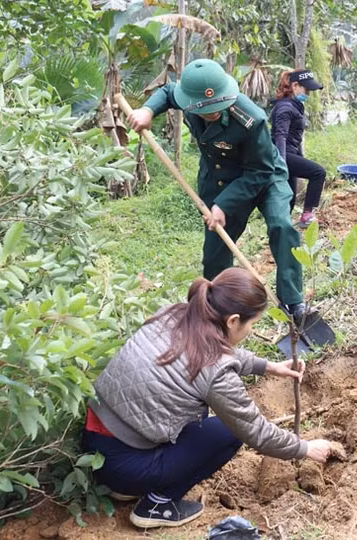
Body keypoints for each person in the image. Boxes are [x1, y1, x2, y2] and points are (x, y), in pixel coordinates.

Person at [83, 268, 334, 529]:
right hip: (125, 466)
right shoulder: (216, 370)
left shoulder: (176, 313)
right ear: (233, 321)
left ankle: (122, 487)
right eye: (253, 324)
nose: (250, 330)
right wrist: (305, 448)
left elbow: (212, 349)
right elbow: (256, 432)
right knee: (228, 432)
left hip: (95, 448)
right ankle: (158, 503)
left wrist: (268, 366)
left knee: (198, 411)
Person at [127, 59, 309, 321]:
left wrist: (224, 204)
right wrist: (147, 110)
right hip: (220, 178)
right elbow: (167, 92)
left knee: (282, 226)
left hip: (265, 175)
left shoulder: (252, 119)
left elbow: (259, 171)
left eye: (218, 106)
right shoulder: (188, 97)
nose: (213, 112)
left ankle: (294, 303)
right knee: (215, 247)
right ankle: (216, 311)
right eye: (206, 110)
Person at [270, 69, 326, 228]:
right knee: (318, 172)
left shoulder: (294, 106)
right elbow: (280, 136)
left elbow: (295, 139)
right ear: (295, 86)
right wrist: (281, 164)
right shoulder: (285, 108)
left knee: (290, 199)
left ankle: (282, 228)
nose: (308, 93)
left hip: (290, 154)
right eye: (306, 89)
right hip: (283, 155)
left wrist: (299, 157)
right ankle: (307, 215)